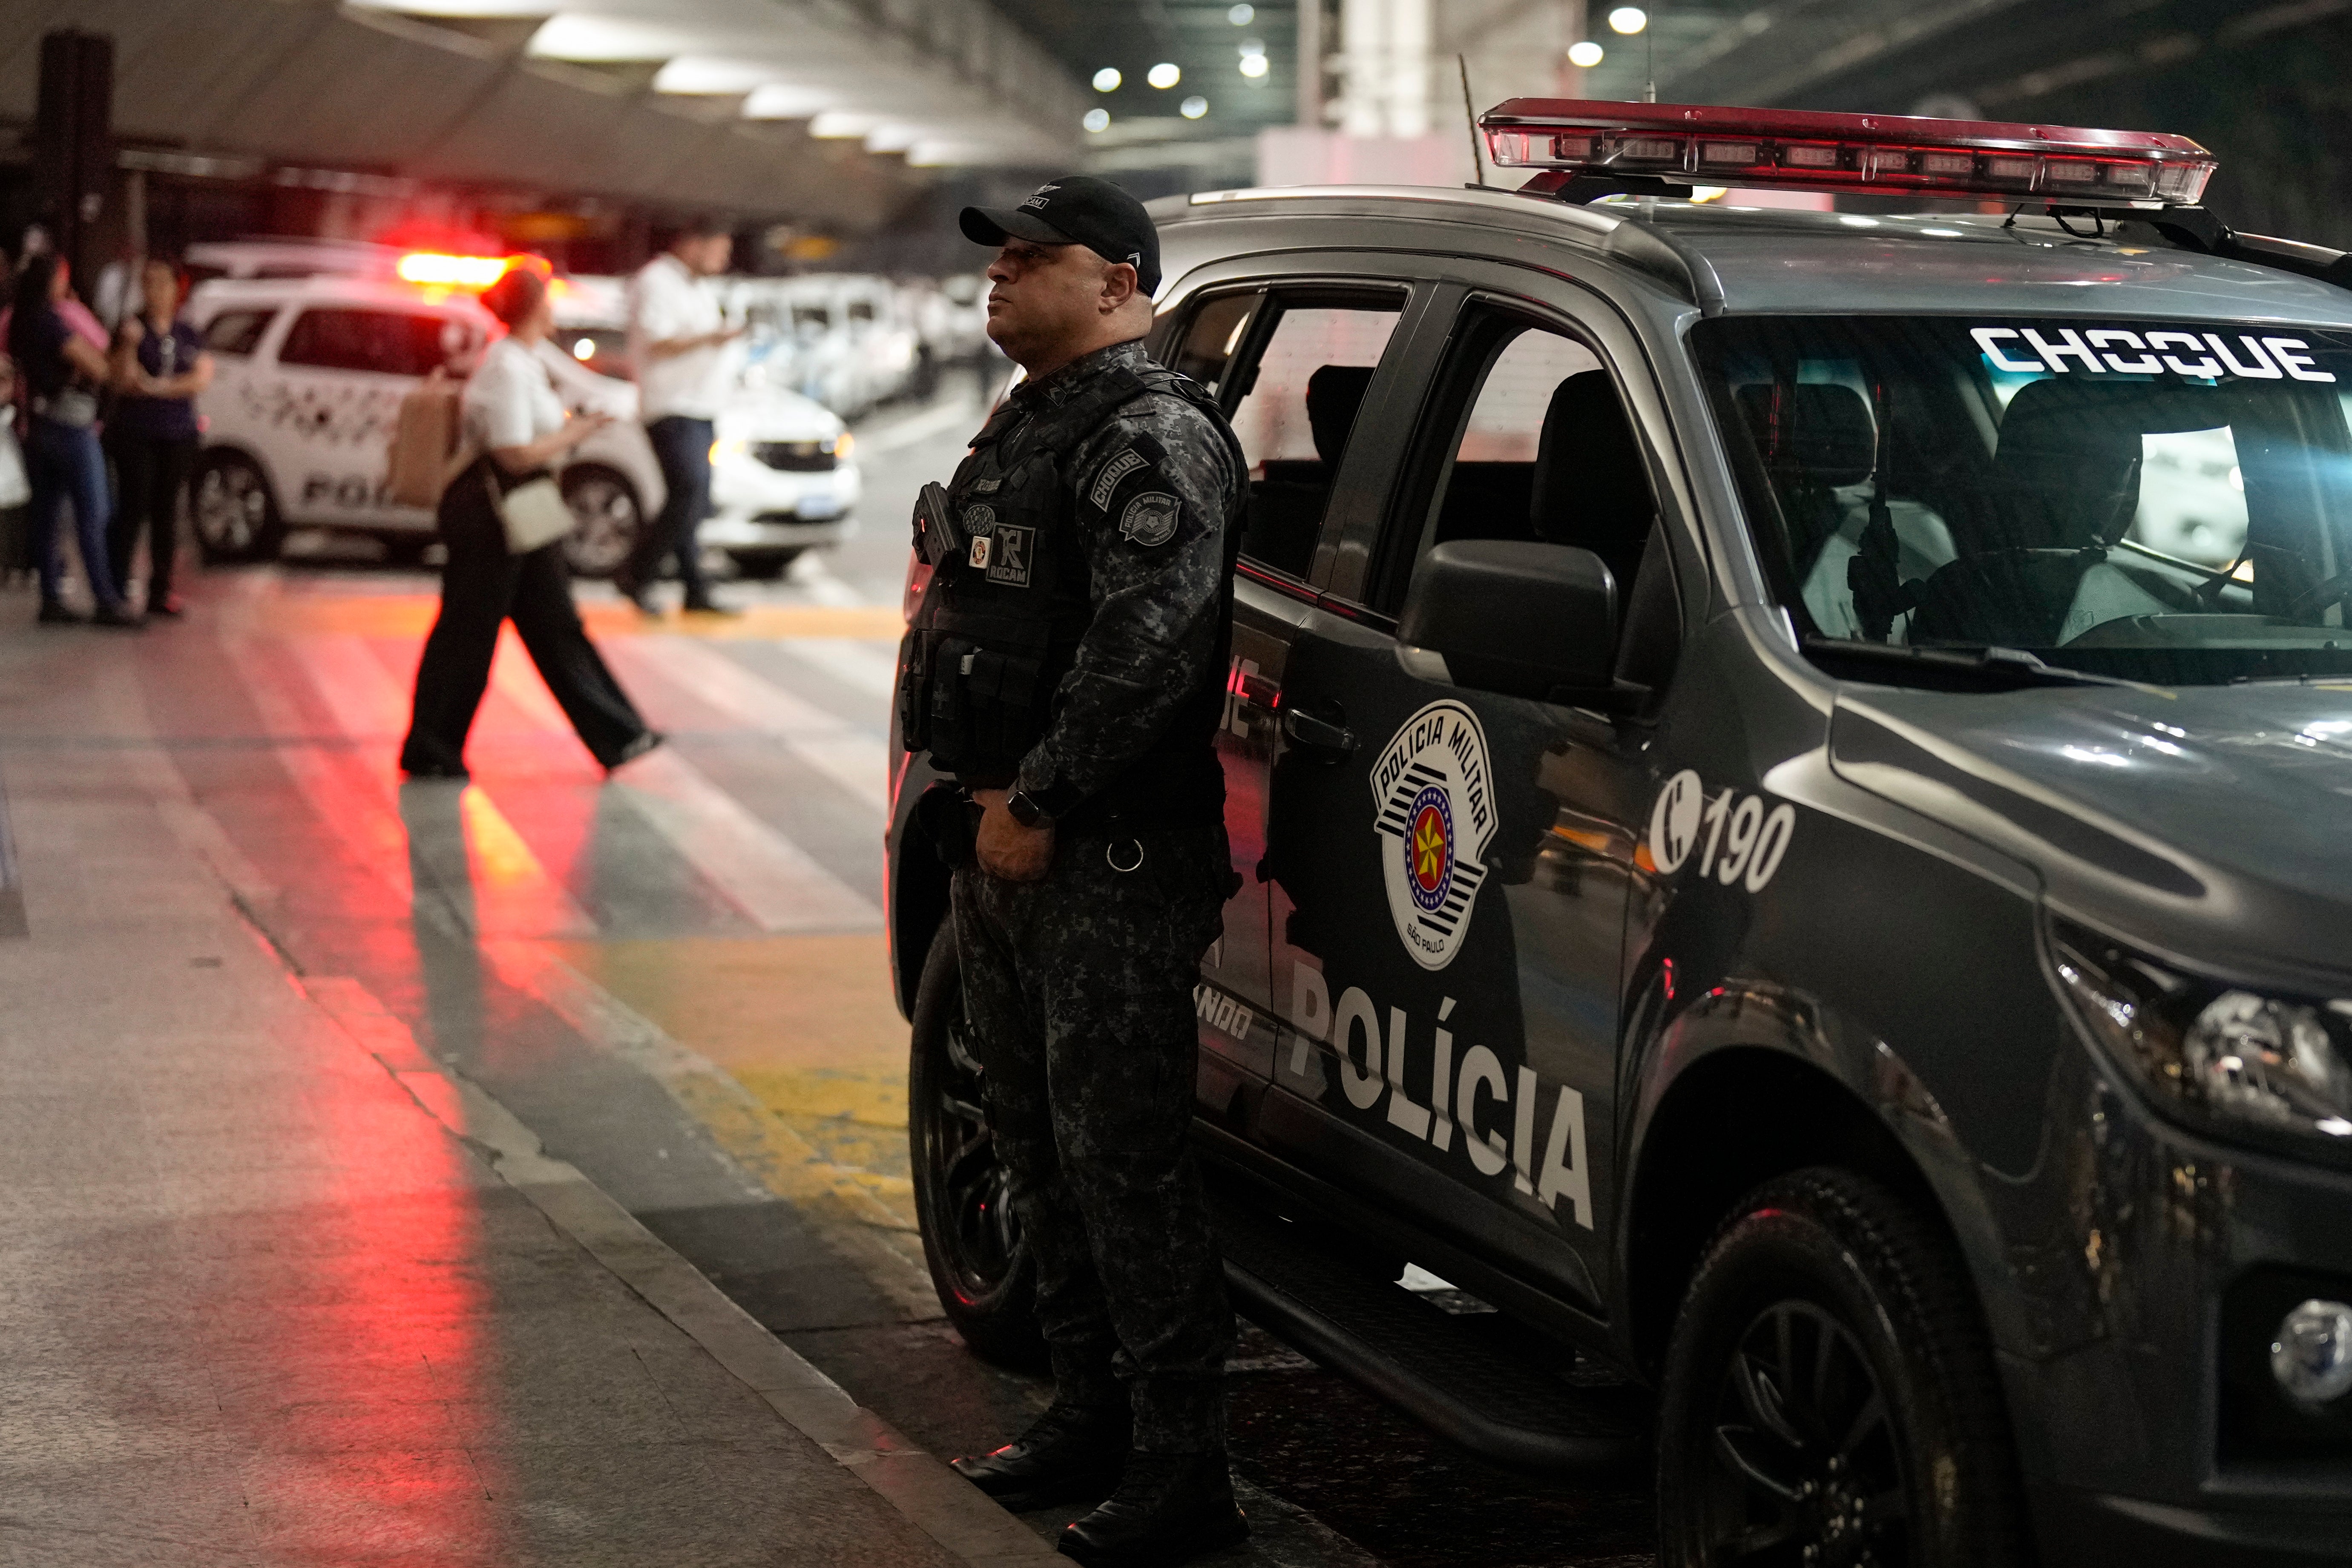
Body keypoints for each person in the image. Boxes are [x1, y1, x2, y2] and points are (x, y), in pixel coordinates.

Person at [912, 176, 1248, 1568]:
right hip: (1004, 842)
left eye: (1032, 258)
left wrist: (1041, 797)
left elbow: (1150, 644)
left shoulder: (1154, 432)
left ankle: (1185, 1476)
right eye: (998, 258)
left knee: (1126, 1168)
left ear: (1118, 283)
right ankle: (1085, 1414)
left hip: (1099, 853)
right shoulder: (1032, 422)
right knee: (1040, 1149)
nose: (1001, 276)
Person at [400, 264, 661, 781]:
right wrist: (576, 433)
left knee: (555, 625)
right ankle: (431, 747)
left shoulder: (523, 358)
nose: (553, 310)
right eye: (547, 300)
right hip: (493, 512)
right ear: (535, 307)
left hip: (524, 509)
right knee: (467, 633)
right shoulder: (505, 367)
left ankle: (621, 734)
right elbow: (513, 453)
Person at [618, 218, 743, 616]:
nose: (723, 261)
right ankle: (637, 571)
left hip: (702, 405)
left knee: (694, 498)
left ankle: (694, 587)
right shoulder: (656, 281)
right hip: (673, 405)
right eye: (719, 250)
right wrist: (714, 337)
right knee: (689, 491)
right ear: (693, 244)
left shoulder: (699, 287)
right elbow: (659, 339)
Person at [7, 253, 139, 627]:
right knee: (94, 513)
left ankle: (52, 598)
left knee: (46, 518)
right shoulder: (51, 322)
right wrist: (120, 343)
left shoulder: (19, 321)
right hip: (71, 427)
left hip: (36, 427)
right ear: (54, 281)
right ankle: (105, 599)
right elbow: (98, 368)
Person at [105, 256, 213, 617]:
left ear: (176, 289)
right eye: (149, 283)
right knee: (132, 507)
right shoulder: (132, 329)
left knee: (167, 512)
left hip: (178, 433)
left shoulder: (187, 334)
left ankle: (161, 590)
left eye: (163, 283)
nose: (155, 291)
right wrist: (129, 348)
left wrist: (158, 387)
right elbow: (123, 381)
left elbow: (199, 378)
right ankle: (116, 587)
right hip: (136, 433)